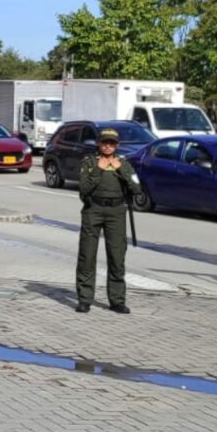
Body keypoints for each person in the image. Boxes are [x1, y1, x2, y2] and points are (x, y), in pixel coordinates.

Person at [74, 126, 145, 315]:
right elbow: (84, 188)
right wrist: (99, 170)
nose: (107, 146)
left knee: (116, 256)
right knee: (87, 255)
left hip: (116, 212)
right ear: (99, 144)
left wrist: (121, 170)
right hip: (93, 210)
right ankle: (84, 299)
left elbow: (137, 188)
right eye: (104, 142)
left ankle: (117, 300)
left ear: (117, 145)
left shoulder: (124, 163)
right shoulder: (90, 162)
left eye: (111, 143)